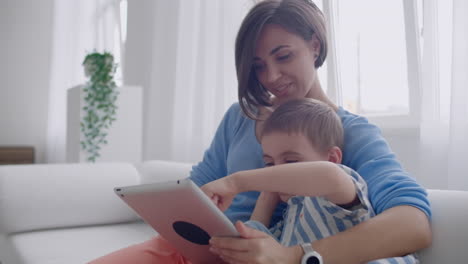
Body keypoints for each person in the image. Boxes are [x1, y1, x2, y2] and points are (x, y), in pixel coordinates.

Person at [89, 0, 431, 263]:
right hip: (193, 250)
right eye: (257, 66)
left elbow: (414, 225)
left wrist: (297, 256)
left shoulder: (350, 131)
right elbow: (197, 192)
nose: (270, 77)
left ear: (314, 46)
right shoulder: (239, 117)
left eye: (283, 56)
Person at [202, 98, 419, 263]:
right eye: (270, 164)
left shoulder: (335, 194)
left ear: (332, 158)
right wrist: (268, 194)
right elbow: (256, 234)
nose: (278, 173)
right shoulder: (289, 220)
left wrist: (237, 182)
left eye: (291, 161)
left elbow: (329, 175)